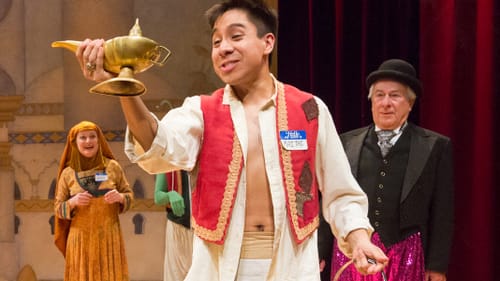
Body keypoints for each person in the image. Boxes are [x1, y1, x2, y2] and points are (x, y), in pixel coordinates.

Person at [74, 0, 388, 280]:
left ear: (267, 43)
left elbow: (340, 191)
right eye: (216, 41)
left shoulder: (308, 109)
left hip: (291, 267)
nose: (223, 48)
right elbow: (158, 145)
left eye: (236, 36)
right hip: (219, 267)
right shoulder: (200, 111)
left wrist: (359, 239)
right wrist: (122, 87)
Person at [319, 59, 454, 281]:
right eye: (379, 95)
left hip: (406, 251)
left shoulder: (435, 146)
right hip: (354, 252)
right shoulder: (345, 143)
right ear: (371, 102)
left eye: (395, 96)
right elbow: (331, 198)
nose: (386, 103)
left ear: (410, 103)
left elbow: (442, 212)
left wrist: (437, 266)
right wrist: (320, 250)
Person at [54, 120, 134, 281]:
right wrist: (72, 202)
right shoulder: (68, 174)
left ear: (99, 140)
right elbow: (57, 208)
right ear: (74, 143)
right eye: (83, 138)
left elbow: (129, 195)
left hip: (109, 238)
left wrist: (120, 198)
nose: (88, 141)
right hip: (80, 240)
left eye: (92, 136)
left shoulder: (113, 167)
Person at [154, 170, 193, 281]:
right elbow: (158, 196)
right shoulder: (168, 161)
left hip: (203, 229)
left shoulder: (203, 158)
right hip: (178, 227)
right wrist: (169, 195)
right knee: (176, 276)